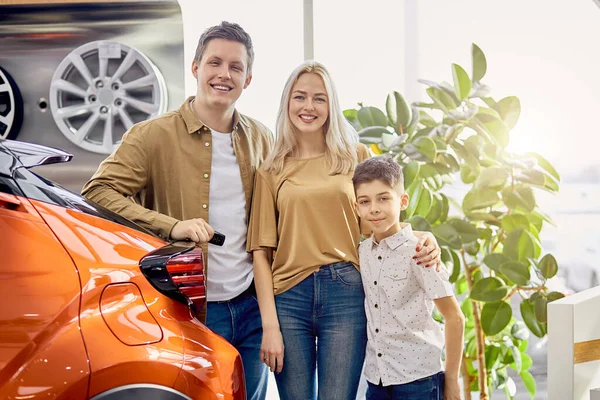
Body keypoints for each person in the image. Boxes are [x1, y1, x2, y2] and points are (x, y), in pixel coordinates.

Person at [81, 21, 273, 400]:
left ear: (248, 79)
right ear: (196, 68)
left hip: (252, 305)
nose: (224, 74)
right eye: (215, 63)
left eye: (236, 67)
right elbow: (98, 192)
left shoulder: (262, 138)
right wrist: (171, 226)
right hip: (189, 310)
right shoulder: (152, 135)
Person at [246, 60, 443, 400]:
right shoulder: (271, 169)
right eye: (300, 97)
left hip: (346, 292)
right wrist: (270, 327)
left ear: (331, 104)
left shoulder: (355, 157)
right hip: (288, 299)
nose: (309, 107)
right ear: (287, 102)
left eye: (319, 98)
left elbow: (380, 217)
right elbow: (260, 255)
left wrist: (424, 237)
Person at [352, 156, 465, 400]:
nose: (374, 208)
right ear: (356, 207)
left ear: (402, 201)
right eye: (365, 201)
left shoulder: (421, 252)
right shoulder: (362, 253)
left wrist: (453, 380)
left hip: (418, 379)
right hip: (377, 378)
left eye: (383, 198)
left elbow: (455, 317)